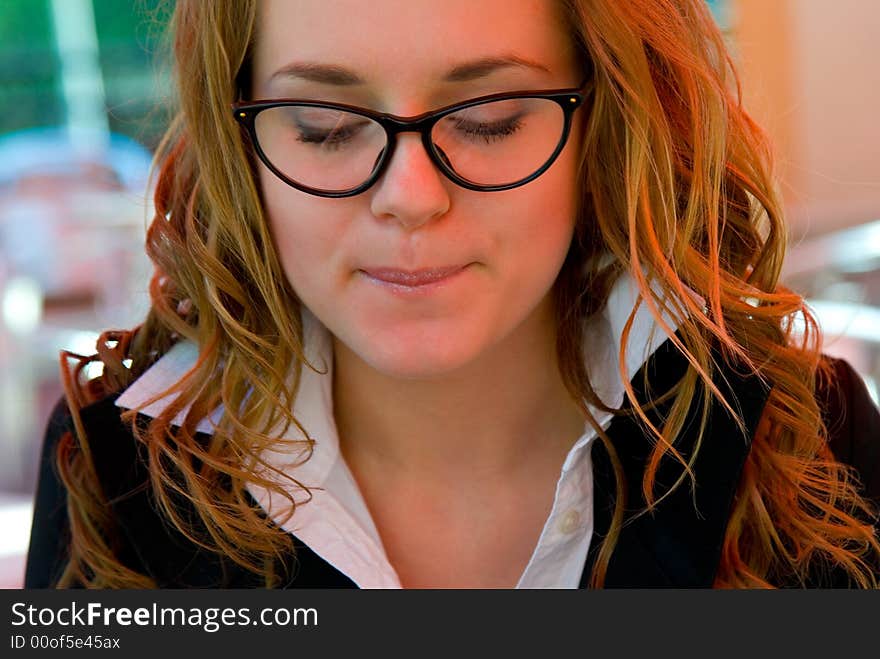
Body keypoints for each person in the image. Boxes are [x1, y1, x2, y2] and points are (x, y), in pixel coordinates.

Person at [25, 0, 880, 589]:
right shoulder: (114, 468)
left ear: (606, 121)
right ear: (239, 134)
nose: (410, 196)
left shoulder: (805, 431)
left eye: (489, 118)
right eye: (324, 126)